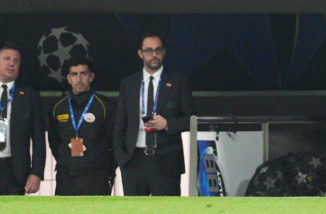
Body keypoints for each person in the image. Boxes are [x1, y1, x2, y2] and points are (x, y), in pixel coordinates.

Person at [114, 33, 194, 196]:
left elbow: (191, 120)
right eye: (149, 50)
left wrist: (168, 124)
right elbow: (120, 124)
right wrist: (121, 157)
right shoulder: (128, 83)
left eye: (158, 50)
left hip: (166, 160)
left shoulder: (178, 81)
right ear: (140, 53)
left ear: (164, 52)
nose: (154, 55)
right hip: (134, 160)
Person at [47, 55, 115, 195]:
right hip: (66, 177)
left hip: (96, 178)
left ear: (91, 77)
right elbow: (53, 142)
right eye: (74, 74)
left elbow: (115, 143)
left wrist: (109, 173)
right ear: (68, 78)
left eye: (83, 74)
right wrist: (65, 161)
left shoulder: (104, 106)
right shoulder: (58, 107)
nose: (79, 79)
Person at [0, 43, 45, 195]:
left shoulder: (30, 96)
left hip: (15, 173)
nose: (12, 63)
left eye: (16, 61)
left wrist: (37, 172)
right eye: (7, 58)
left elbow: (39, 138)